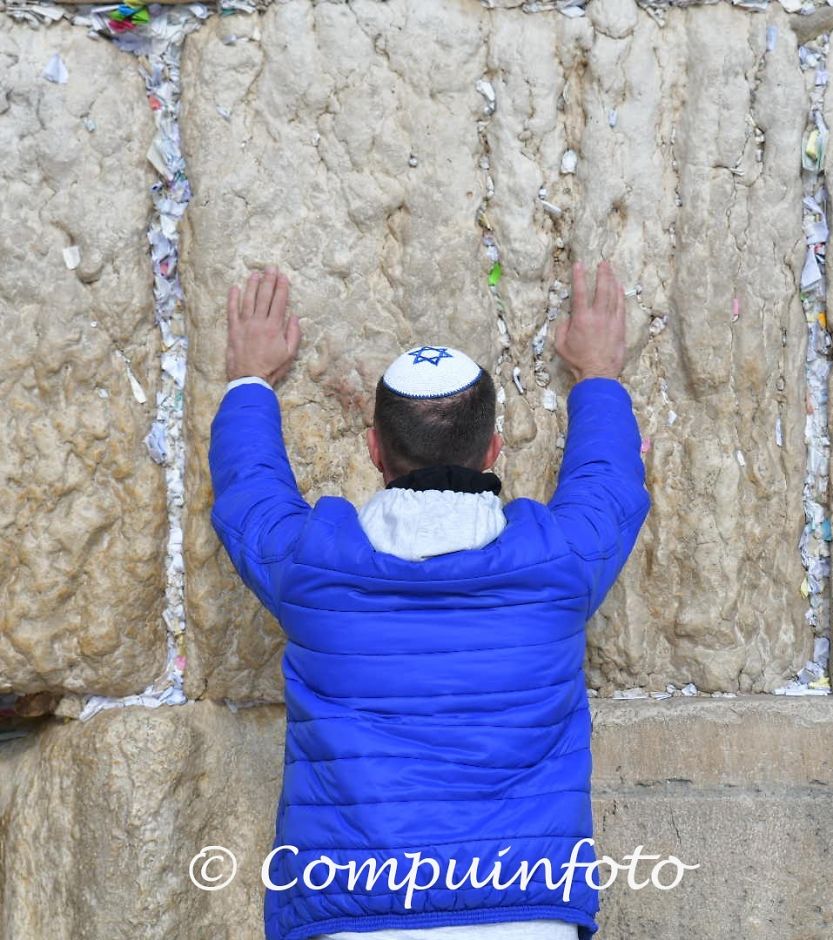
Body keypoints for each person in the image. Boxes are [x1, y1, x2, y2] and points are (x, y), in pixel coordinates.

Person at [209, 260, 651, 940]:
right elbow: (610, 485)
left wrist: (248, 380)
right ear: (494, 449)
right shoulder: (557, 565)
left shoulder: (315, 571)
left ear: (375, 449)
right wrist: (597, 374)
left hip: (352, 916)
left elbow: (249, 495)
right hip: (526, 914)